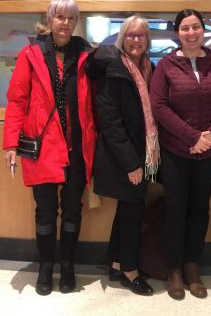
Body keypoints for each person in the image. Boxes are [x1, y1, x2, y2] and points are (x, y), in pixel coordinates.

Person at [2, 0, 96, 296]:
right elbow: (16, 101)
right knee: (44, 211)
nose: (65, 23)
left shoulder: (87, 55)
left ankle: (67, 266)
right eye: (59, 17)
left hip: (77, 147)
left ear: (76, 22)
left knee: (72, 211)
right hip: (42, 146)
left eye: (71, 18)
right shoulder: (30, 54)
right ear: (49, 19)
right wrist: (10, 143)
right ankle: (45, 267)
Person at [150, 9, 211, 300]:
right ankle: (174, 270)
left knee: (200, 209)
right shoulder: (165, 65)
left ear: (203, 30)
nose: (191, 33)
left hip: (209, 152)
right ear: (178, 33)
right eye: (185, 28)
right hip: (176, 151)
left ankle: (192, 267)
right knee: (175, 210)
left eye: (196, 27)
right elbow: (159, 106)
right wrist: (192, 137)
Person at [85, 15, 157, 296]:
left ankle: (115, 263)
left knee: (128, 210)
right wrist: (131, 163)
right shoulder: (113, 69)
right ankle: (130, 269)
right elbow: (110, 121)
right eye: (130, 35)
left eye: (141, 35)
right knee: (132, 213)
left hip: (140, 153)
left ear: (148, 39)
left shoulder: (148, 67)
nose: (136, 40)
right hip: (123, 157)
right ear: (122, 38)